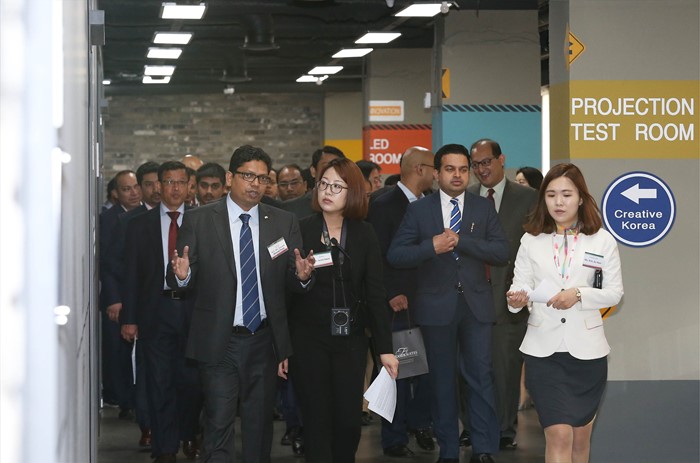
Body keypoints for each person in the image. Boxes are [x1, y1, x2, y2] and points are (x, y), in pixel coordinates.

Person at [169, 145, 311, 463]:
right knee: (218, 422)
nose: (255, 184)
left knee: (259, 426)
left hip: (263, 340)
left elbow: (293, 278)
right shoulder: (200, 219)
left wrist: (302, 277)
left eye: (262, 178)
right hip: (219, 340)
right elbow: (181, 273)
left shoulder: (283, 221)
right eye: (248, 176)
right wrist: (182, 275)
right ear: (230, 178)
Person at [388, 143, 509, 463]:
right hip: (435, 309)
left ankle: (484, 448)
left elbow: (501, 251)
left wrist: (461, 241)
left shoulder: (483, 208)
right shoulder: (419, 210)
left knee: (481, 378)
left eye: (463, 169)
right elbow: (396, 255)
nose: (458, 175)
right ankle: (449, 450)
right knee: (441, 382)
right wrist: (431, 246)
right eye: (450, 169)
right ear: (437, 173)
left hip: (476, 307)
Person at [506, 163, 623, 463]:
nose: (558, 202)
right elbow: (518, 288)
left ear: (581, 198)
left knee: (580, 441)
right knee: (558, 435)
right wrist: (516, 299)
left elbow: (614, 292)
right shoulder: (531, 240)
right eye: (551, 195)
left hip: (587, 355)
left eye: (567, 195)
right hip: (543, 353)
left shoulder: (602, 240)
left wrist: (579, 294)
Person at [287, 157, 399, 463]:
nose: (328, 191)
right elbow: (286, 290)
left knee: (348, 421)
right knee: (316, 419)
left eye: (337, 186)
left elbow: (375, 293)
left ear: (353, 192)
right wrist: (301, 277)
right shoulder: (301, 230)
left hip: (350, 339)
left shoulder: (364, 233)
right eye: (324, 184)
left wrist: (385, 349)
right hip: (308, 339)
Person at [121, 161, 201, 463]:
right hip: (156, 311)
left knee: (192, 382)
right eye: (169, 182)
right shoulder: (139, 224)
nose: (175, 188)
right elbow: (131, 274)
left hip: (194, 311)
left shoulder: (202, 220)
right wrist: (129, 318)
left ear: (189, 185)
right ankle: (165, 447)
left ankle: (190, 433)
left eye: (181, 182)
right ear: (159, 185)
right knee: (159, 381)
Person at [462, 139, 537, 451]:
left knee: (505, 368)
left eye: (487, 162)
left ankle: (505, 428)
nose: (481, 169)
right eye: (475, 164)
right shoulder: (464, 197)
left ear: (501, 160)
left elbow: (535, 248)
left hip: (509, 300)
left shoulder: (528, 198)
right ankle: (472, 426)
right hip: (468, 298)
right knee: (469, 368)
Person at [367, 146, 436, 457]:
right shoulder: (383, 205)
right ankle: (394, 436)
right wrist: (390, 291)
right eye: (434, 168)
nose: (437, 174)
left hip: (430, 300)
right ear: (419, 169)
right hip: (397, 304)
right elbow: (375, 255)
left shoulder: (432, 203)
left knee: (427, 371)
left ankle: (421, 425)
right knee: (398, 370)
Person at [281, 146, 346, 219]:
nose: (331, 171)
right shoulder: (290, 208)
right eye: (327, 166)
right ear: (313, 171)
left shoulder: (350, 207)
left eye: (337, 167)